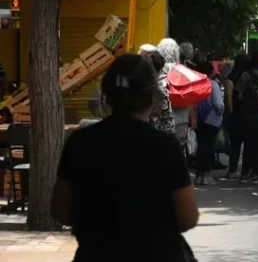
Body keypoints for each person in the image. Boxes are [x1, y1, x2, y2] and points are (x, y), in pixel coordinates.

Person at [51, 54, 199, 261]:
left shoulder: (80, 142)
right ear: (151, 96)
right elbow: (187, 217)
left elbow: (60, 211)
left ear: (108, 95)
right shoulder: (165, 146)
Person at [224, 53, 258, 183]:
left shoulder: (245, 76)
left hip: (246, 115)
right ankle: (257, 172)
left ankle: (244, 173)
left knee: (248, 145)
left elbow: (239, 95)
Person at [157, 38, 196, 151]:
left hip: (161, 119)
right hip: (180, 120)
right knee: (178, 151)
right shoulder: (182, 71)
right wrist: (193, 118)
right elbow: (188, 97)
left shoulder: (156, 70)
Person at [195, 61, 225, 185]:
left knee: (200, 147)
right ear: (211, 72)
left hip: (198, 119)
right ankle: (206, 176)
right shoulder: (213, 84)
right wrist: (222, 111)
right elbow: (218, 104)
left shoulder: (194, 84)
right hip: (211, 120)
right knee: (208, 147)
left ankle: (199, 175)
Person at [144, 50, 175, 135]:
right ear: (160, 69)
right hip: (155, 135)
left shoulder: (137, 87)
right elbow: (168, 120)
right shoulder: (161, 91)